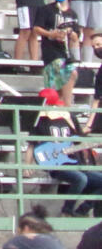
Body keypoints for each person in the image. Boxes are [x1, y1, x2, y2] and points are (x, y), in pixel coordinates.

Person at [29, 90, 102, 218]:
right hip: (57, 163)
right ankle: (66, 211)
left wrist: (93, 143)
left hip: (75, 162)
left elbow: (79, 140)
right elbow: (32, 144)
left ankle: (82, 210)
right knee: (81, 179)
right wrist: (27, 165)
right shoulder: (40, 121)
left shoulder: (70, 118)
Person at [35, 0, 81, 105]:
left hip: (66, 52)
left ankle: (64, 105)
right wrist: (51, 34)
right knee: (70, 73)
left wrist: (70, 32)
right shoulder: (46, 10)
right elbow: (37, 28)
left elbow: (77, 37)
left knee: (70, 76)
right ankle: (68, 106)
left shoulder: (73, 14)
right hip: (51, 53)